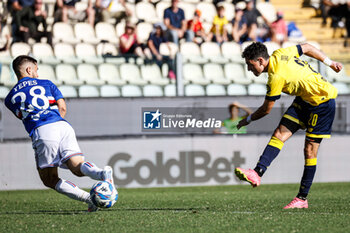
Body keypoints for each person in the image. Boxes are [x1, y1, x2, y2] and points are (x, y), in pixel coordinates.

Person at [234, 42, 342, 209]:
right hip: (304, 100)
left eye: (250, 65)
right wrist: (330, 62)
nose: (249, 69)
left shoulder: (275, 77)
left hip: (322, 102)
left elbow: (266, 110)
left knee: (309, 151)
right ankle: (257, 173)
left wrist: (247, 120)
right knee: (279, 134)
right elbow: (306, 47)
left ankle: (302, 198)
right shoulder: (280, 53)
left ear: (261, 61)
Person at [4, 55, 116, 212]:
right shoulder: (47, 84)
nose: (37, 73)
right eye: (36, 70)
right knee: (76, 166)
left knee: (49, 179)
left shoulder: (9, 98)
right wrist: (55, 122)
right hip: (63, 126)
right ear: (29, 69)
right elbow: (62, 108)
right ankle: (102, 173)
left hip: (43, 130)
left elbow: (26, 118)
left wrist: (47, 130)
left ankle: (89, 200)